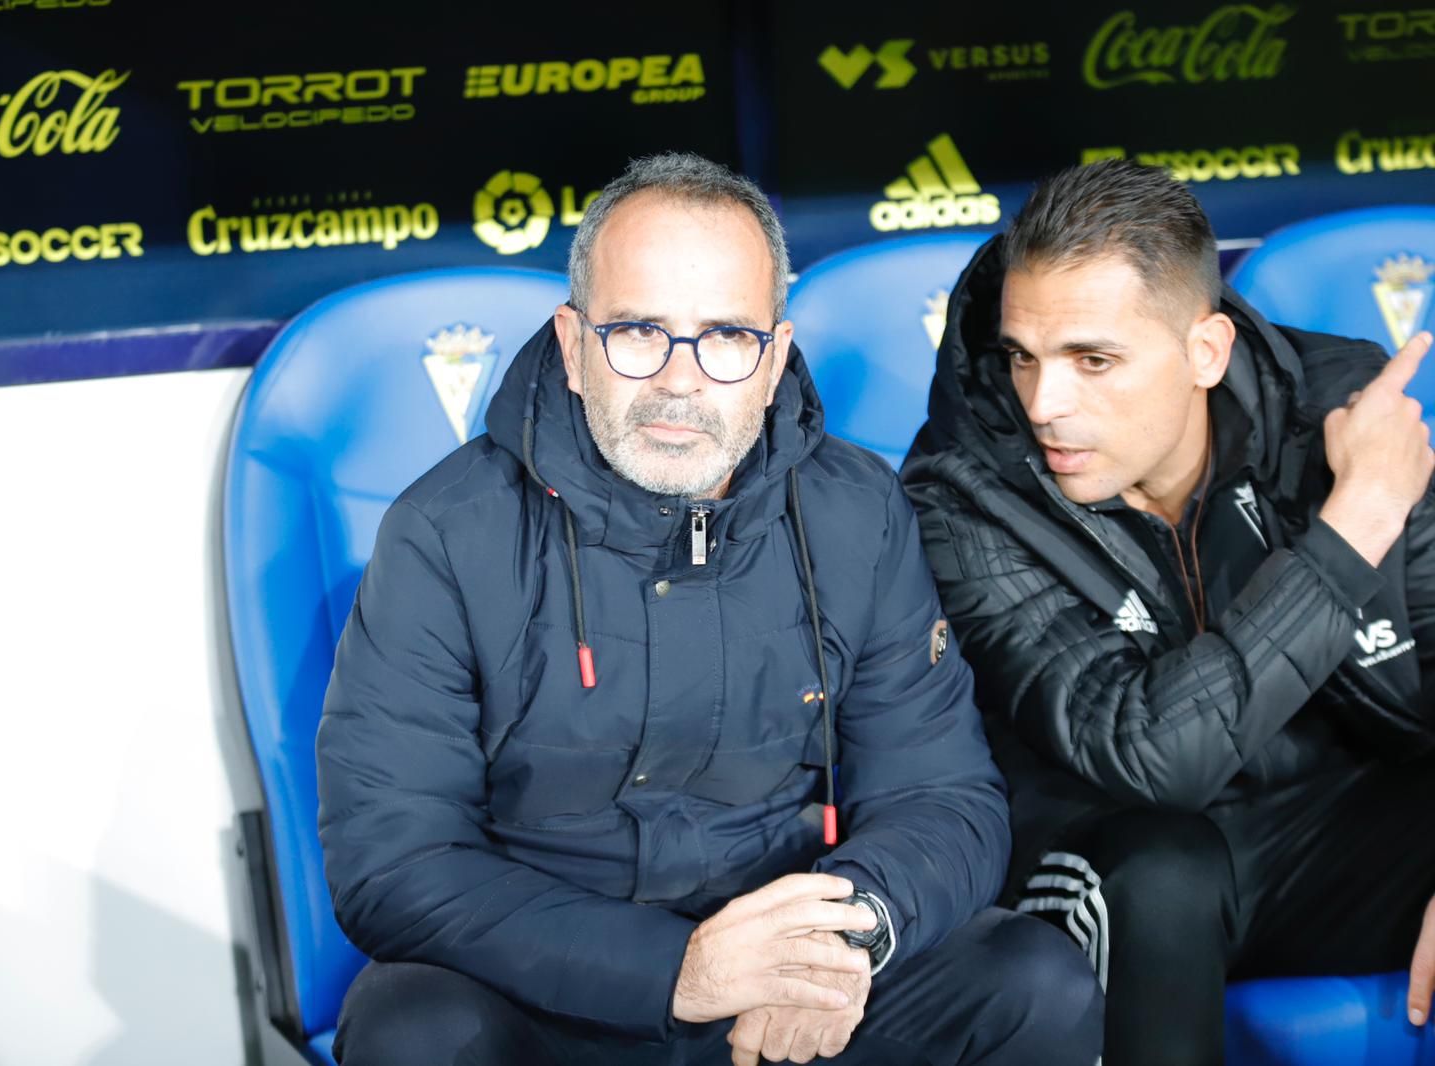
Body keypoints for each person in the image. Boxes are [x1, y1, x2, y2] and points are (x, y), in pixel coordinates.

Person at [316, 152, 1102, 1065]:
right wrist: (676, 972)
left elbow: (945, 796)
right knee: (412, 1029)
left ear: (774, 360)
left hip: (797, 982)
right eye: (640, 332)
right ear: (573, 348)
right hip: (560, 989)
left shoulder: (860, 511)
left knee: (1031, 981)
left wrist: (836, 945)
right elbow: (395, 863)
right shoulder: (444, 532)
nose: (681, 381)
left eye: (726, 337)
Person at [901, 157, 1435, 1065]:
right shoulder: (964, 490)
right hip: (1117, 854)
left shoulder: (1339, 409)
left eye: (1093, 360)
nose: (1044, 404)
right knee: (1163, 875)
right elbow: (1146, 757)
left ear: (1206, 353)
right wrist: (1354, 529)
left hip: (1336, 826)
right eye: (1022, 356)